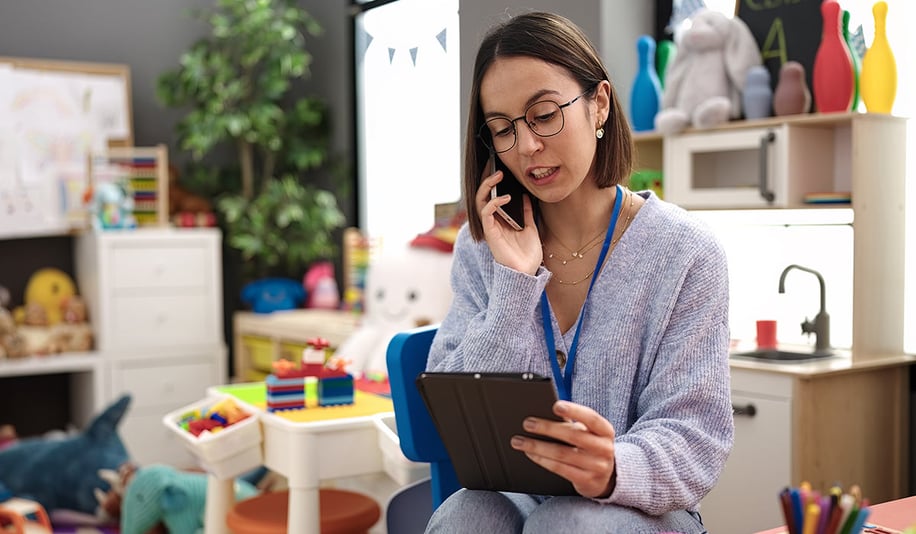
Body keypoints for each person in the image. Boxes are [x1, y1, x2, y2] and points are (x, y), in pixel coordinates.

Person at [424, 11, 733, 534]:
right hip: (522, 499)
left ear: (600, 105)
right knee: (464, 516)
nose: (526, 147)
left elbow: (695, 436)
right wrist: (514, 285)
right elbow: (455, 412)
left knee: (569, 524)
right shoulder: (483, 250)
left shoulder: (687, 253)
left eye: (543, 115)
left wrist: (613, 466)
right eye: (502, 129)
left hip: (645, 511)